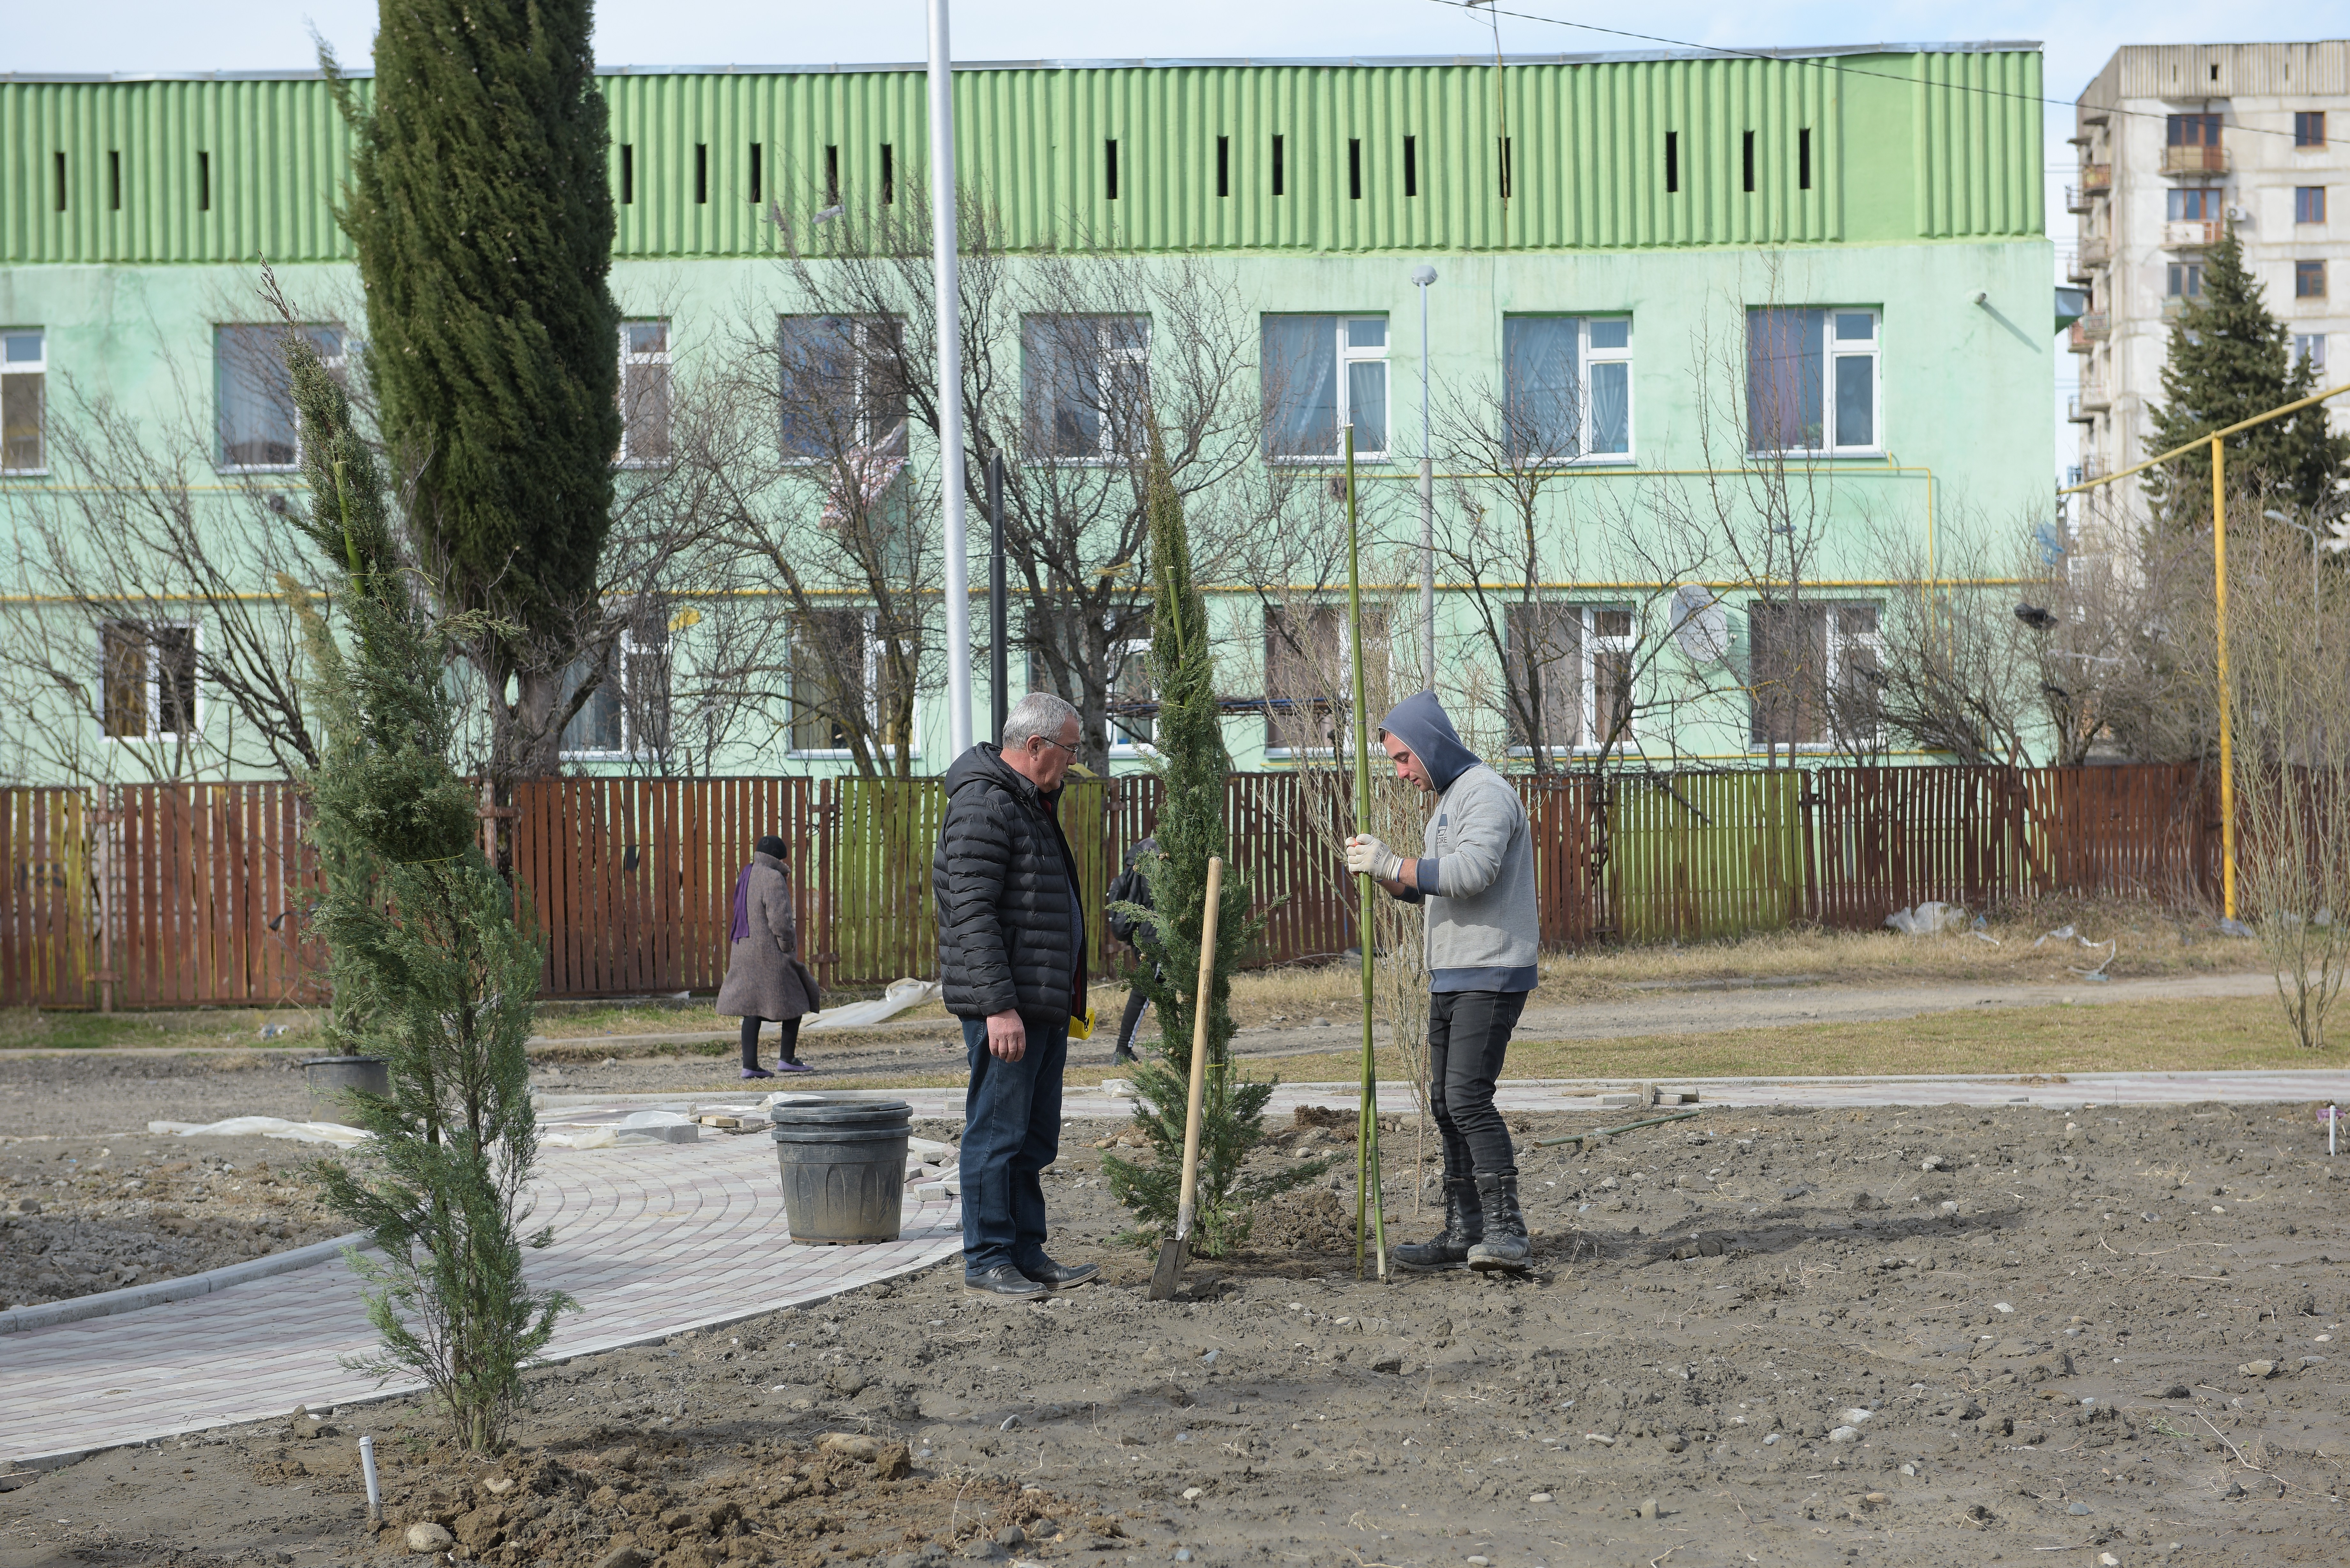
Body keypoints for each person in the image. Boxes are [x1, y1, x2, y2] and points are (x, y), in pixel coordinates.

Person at [1344, 691, 1540, 1274]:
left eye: (1404, 759)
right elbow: (1427, 885)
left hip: (1492, 970)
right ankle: (1465, 1228)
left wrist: (1393, 864)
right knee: (1445, 1102)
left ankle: (1507, 1231)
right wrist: (1380, 872)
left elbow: (1473, 873)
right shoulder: (1452, 798)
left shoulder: (1487, 793)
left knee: (1468, 1098)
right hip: (1454, 970)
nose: (1401, 773)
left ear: (1430, 745)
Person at [934, 692, 1102, 1299]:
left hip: (1041, 1002)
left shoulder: (1029, 802)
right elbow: (971, 916)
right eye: (1070, 749)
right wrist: (999, 1006)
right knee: (997, 1131)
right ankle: (987, 1255)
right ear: (1034, 748)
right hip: (1007, 1006)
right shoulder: (985, 805)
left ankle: (1026, 1249)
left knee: (1034, 1135)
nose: (1075, 762)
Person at [716, 835, 819, 1078]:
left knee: (752, 1007)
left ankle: (749, 1066)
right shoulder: (773, 877)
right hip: (768, 952)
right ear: (778, 857)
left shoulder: (747, 873)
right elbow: (780, 920)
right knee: (798, 996)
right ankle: (787, 1059)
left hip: (743, 949)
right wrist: (787, 944)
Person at [1103, 834, 1160, 1066]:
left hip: (1145, 935)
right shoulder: (1159, 859)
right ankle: (1122, 1050)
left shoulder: (1139, 857)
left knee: (1163, 994)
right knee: (1144, 992)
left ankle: (1181, 1047)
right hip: (1158, 936)